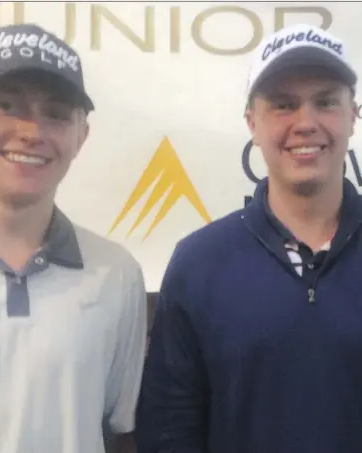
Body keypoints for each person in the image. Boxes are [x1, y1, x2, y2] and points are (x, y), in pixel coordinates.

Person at [0, 23, 147, 453]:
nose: (31, 131)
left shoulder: (116, 276)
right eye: (6, 105)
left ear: (81, 135)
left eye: (57, 113)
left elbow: (120, 433)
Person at [135, 23, 362, 453]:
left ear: (353, 115)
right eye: (283, 105)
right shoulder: (199, 263)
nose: (306, 123)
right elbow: (169, 430)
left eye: (326, 102)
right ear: (252, 123)